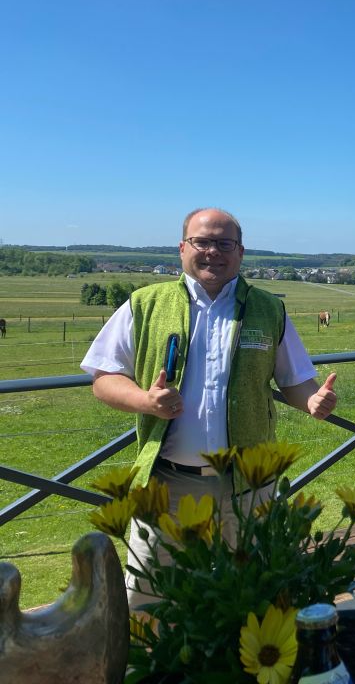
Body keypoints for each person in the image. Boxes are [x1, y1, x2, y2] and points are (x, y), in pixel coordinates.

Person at [81, 207, 338, 607]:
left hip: (249, 485)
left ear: (240, 252)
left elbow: (293, 382)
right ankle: (155, 671)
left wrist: (313, 400)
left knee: (254, 591)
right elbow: (104, 378)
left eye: (224, 243)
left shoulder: (269, 309)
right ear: (182, 248)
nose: (213, 251)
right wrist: (145, 401)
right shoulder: (144, 304)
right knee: (150, 595)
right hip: (167, 486)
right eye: (202, 242)